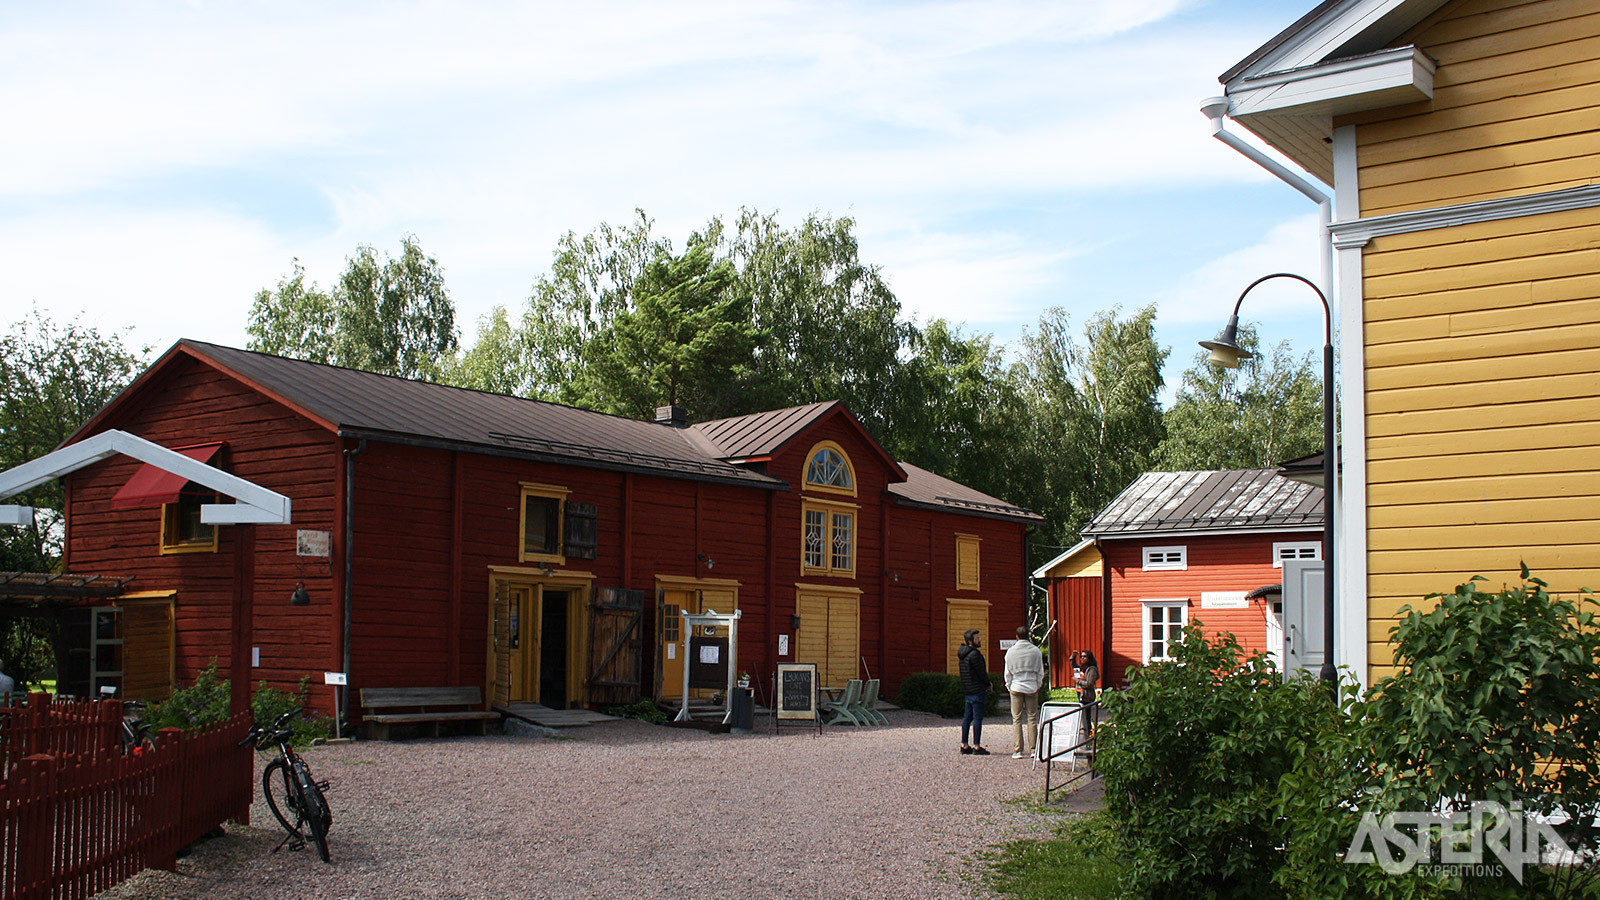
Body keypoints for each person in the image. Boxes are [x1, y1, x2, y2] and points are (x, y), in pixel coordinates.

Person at [1003, 626, 1045, 759]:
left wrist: (1009, 686)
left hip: (1016, 685)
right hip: (1031, 685)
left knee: (1017, 719)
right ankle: (1034, 749)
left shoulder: (1010, 652)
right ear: (1028, 635)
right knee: (1032, 718)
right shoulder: (1036, 651)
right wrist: (1038, 685)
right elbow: (1040, 671)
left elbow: (1007, 673)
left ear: (1017, 636)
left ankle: (1018, 749)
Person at [957, 628, 990, 755]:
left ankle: (964, 744)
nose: (980, 640)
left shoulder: (962, 655)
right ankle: (977, 746)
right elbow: (981, 672)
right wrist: (988, 684)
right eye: (977, 638)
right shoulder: (975, 655)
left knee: (967, 718)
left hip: (968, 689)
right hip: (977, 689)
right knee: (977, 718)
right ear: (971, 641)